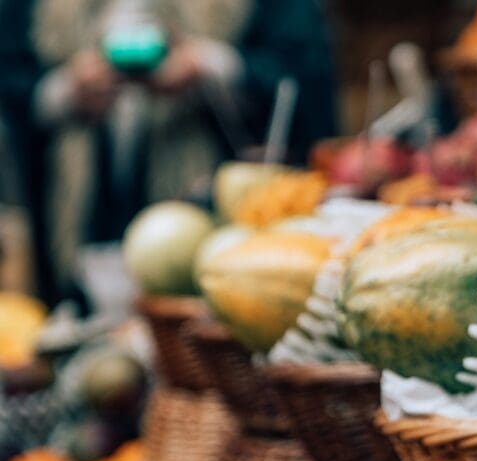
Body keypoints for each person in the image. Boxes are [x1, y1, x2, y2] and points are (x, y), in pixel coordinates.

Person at [0, 0, 338, 309]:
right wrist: (65, 91)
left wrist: (210, 65)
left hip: (207, 213)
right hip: (75, 214)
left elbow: (303, 74)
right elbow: (12, 73)